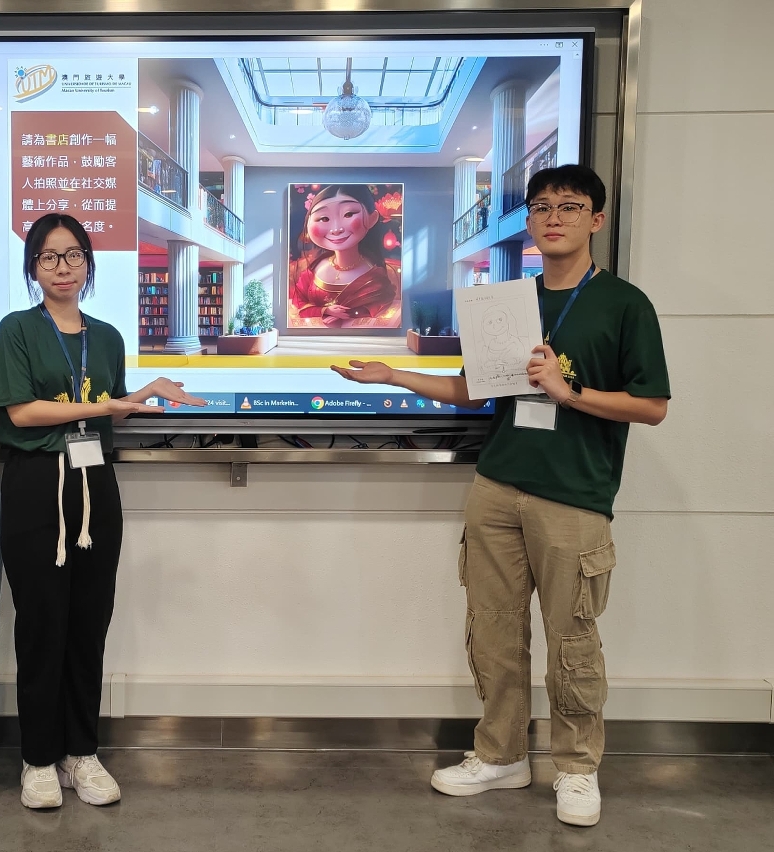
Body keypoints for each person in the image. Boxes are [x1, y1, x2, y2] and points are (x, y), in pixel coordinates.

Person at [332, 165, 670, 827]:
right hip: (496, 485)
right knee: (493, 632)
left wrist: (570, 393)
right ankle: (501, 755)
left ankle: (576, 768)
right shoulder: (506, 303)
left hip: (573, 496)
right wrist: (393, 375)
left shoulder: (624, 304)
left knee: (572, 639)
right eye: (541, 207)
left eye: (569, 206)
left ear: (596, 219)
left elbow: (651, 406)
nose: (553, 218)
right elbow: (471, 390)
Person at [0, 214, 205, 809]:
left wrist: (143, 393)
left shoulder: (107, 337)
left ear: (88, 263)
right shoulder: (17, 329)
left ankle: (81, 753)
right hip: (37, 485)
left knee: (89, 624)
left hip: (95, 483)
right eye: (48, 256)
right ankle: (38, 758)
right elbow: (22, 413)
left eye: (73, 255)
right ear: (33, 268)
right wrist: (109, 404)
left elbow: (108, 407)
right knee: (41, 627)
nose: (62, 267)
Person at [289, 183, 400, 329]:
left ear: (372, 218)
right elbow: (299, 301)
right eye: (324, 219)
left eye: (348, 214)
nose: (336, 229)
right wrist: (324, 311)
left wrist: (350, 314)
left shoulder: (373, 274)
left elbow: (380, 303)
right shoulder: (315, 269)